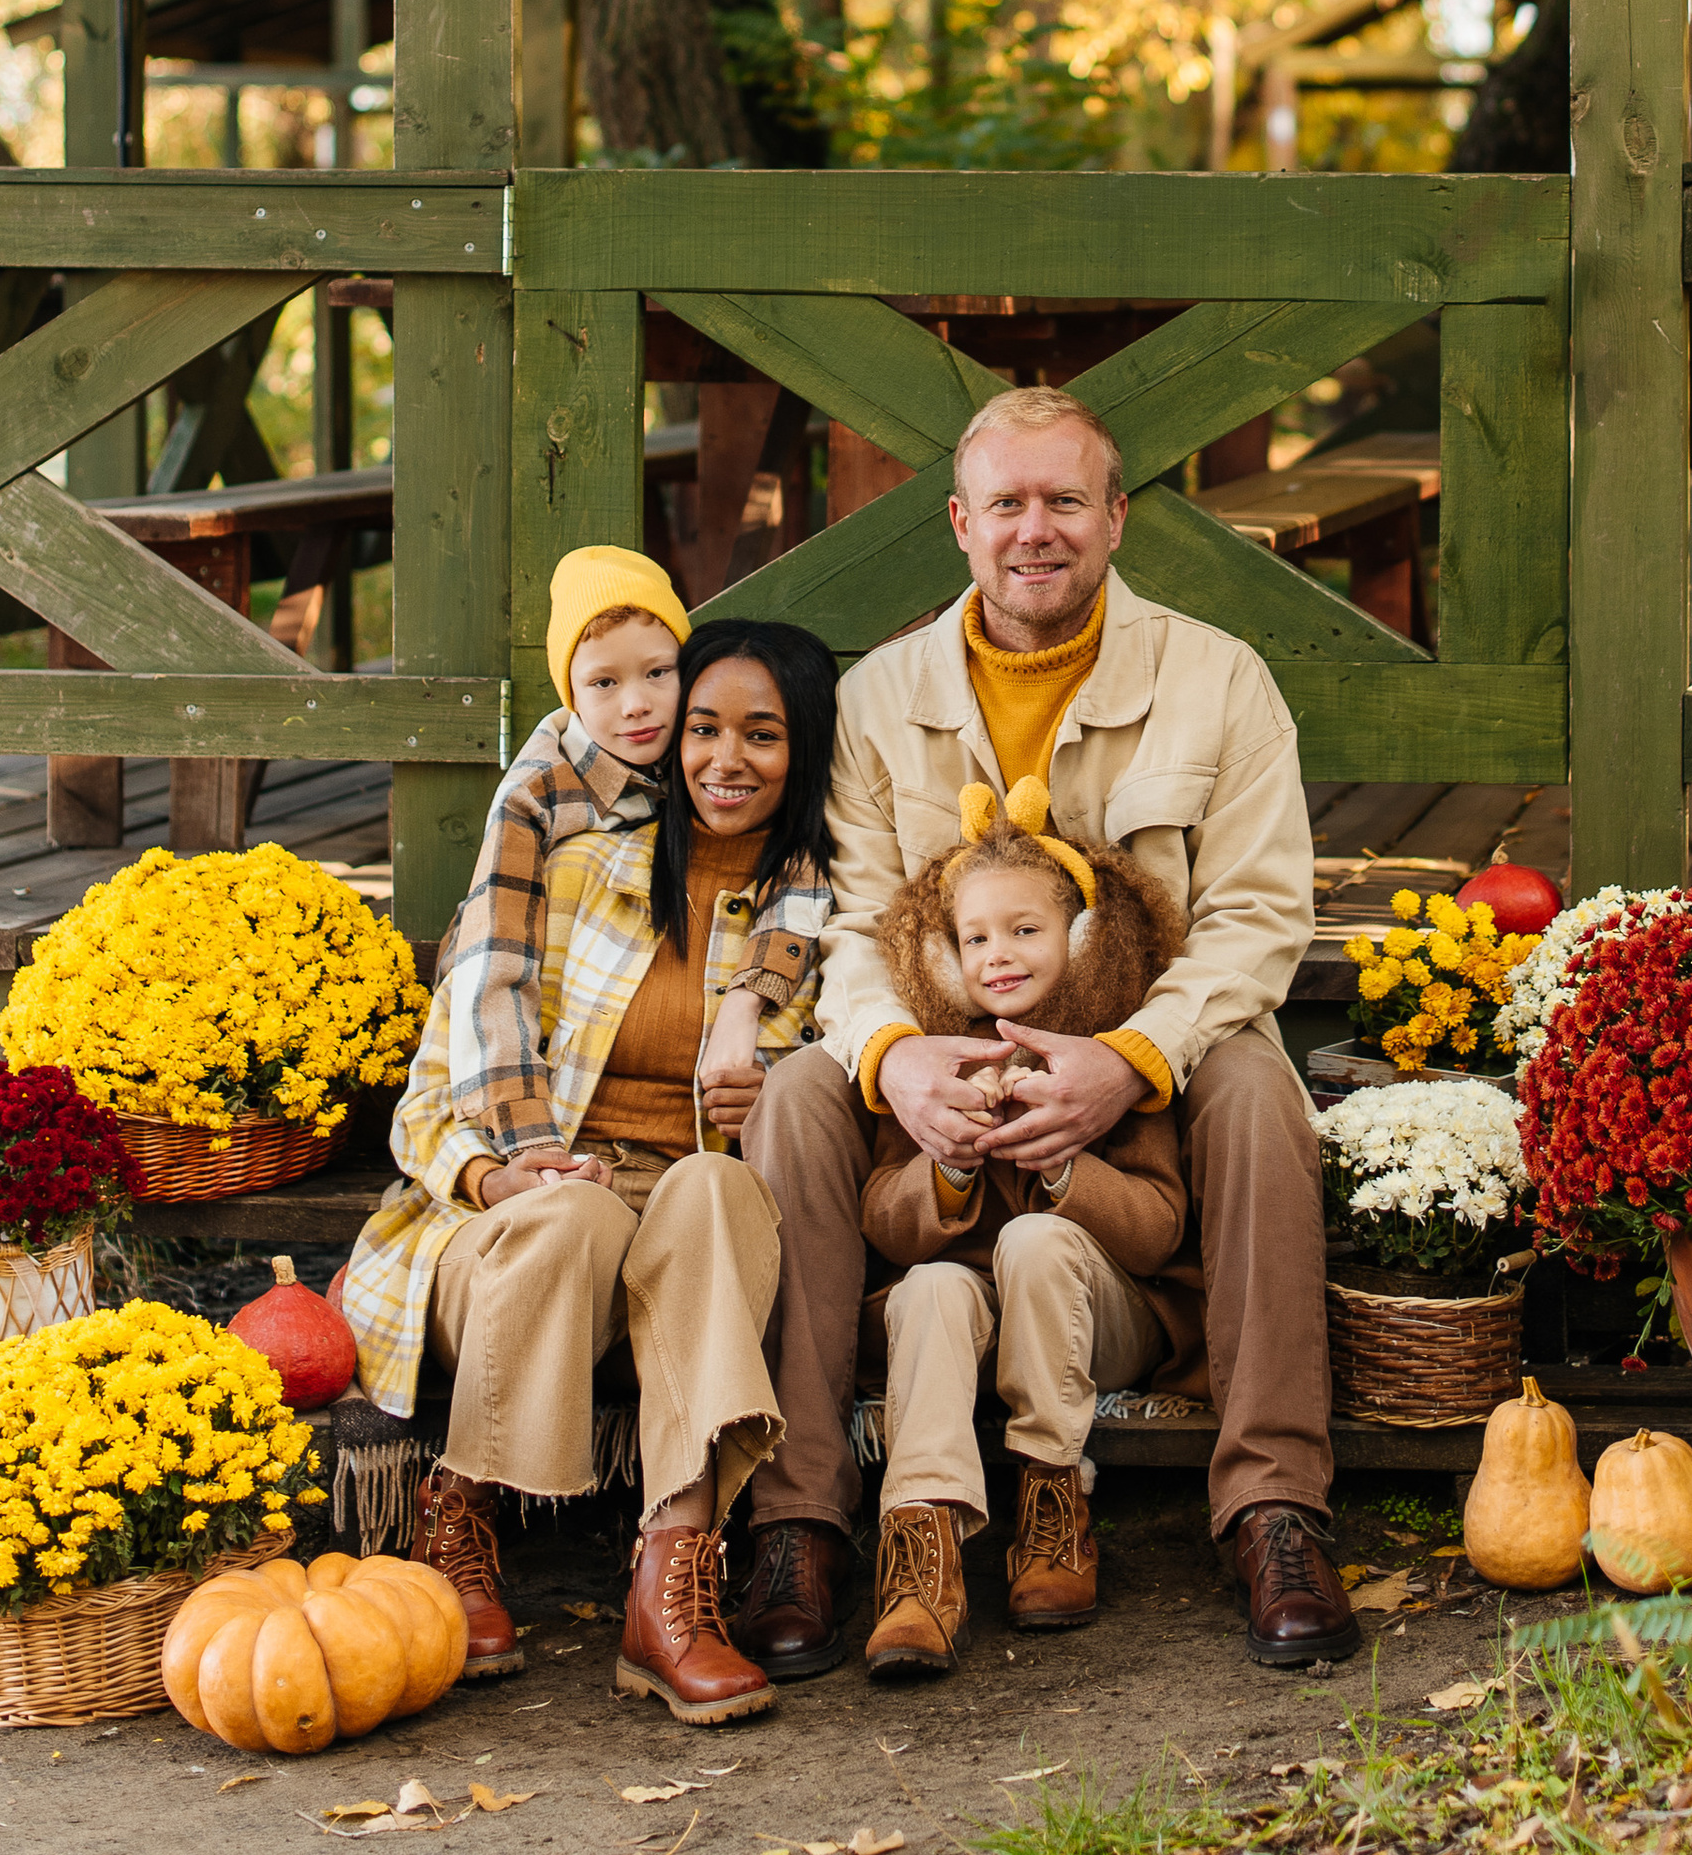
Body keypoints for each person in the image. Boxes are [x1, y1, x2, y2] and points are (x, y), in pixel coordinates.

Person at [737, 384, 1357, 1677]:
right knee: (799, 1089)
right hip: (942, 1093)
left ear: (1117, 516)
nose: (1038, 528)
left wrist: (1131, 1057)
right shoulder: (881, 696)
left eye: (1066, 498)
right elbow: (849, 920)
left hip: (1144, 1104)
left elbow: (1258, 919)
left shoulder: (1214, 680)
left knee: (1255, 1081)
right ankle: (800, 1516)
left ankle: (1272, 1500)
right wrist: (895, 1055)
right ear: (961, 524)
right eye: (1008, 502)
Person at [340, 549, 837, 1722]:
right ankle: (459, 1520)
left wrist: (761, 1072)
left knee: (718, 1195)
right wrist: (486, 1165)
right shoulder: (563, 862)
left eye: (759, 735)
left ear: (798, 750)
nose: (720, 757)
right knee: (569, 1209)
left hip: (676, 1238)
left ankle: (672, 1588)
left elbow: (829, 1089)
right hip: (508, 1223)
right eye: (701, 727)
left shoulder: (809, 921)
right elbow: (431, 1089)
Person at [859, 780, 1195, 1677]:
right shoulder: (939, 1058)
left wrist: (1062, 1165)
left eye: (1025, 930)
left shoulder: (1106, 1054)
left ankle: (1053, 1498)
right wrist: (951, 1163)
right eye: (975, 938)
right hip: (973, 1318)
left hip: (1098, 1317)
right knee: (929, 1284)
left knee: (1035, 1240)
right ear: (943, 953)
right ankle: (920, 1549)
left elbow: (1160, 1231)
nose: (997, 955)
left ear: (1081, 936)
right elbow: (887, 1226)